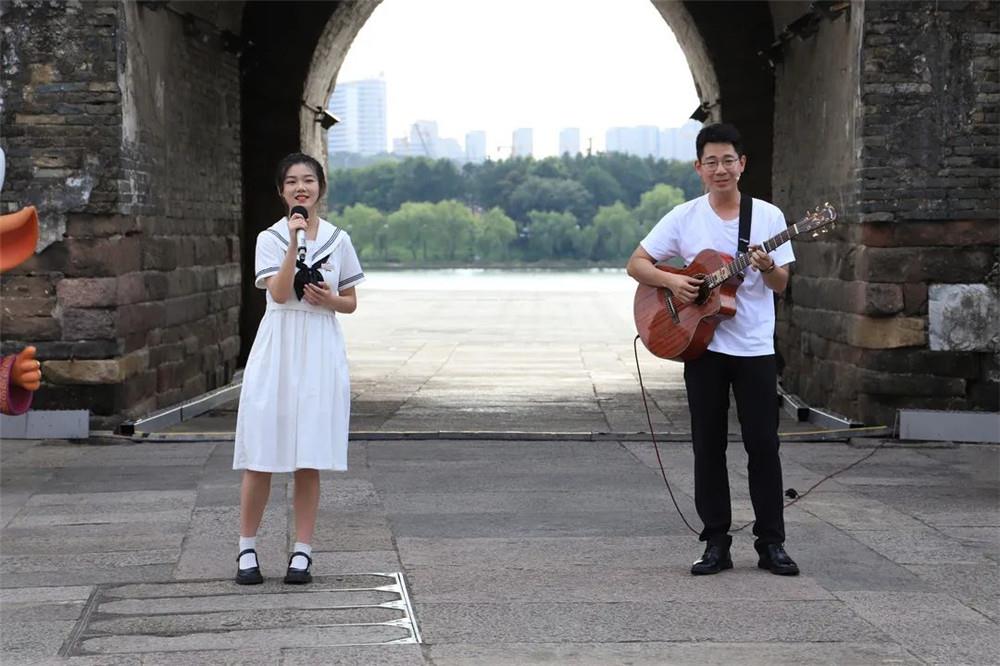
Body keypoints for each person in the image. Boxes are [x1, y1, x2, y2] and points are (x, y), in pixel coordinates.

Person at [625, 123, 799, 576]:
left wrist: (767, 266)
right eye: (711, 162)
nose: (720, 169)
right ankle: (716, 542)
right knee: (708, 446)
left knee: (764, 445)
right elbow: (636, 264)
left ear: (742, 165)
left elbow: (782, 284)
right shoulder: (683, 217)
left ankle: (772, 543)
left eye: (728, 160)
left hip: (755, 348)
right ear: (698, 168)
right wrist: (672, 281)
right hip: (701, 347)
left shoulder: (768, 217)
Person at [233, 152, 365, 585]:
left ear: (320, 187)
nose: (300, 188)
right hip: (279, 344)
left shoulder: (339, 239)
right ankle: (247, 548)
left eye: (308, 180)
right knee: (261, 451)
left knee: (309, 454)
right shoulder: (270, 238)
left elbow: (350, 302)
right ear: (281, 191)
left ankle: (302, 552)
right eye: (292, 181)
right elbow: (277, 291)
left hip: (319, 345)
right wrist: (294, 241)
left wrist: (330, 299)